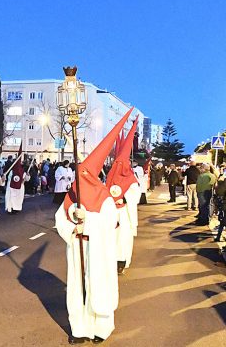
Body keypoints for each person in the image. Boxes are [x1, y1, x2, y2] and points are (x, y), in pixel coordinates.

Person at [56, 108, 131, 345]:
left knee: (98, 286)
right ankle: (79, 328)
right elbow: (60, 218)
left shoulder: (105, 198)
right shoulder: (72, 194)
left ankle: (101, 327)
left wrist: (86, 220)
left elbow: (110, 223)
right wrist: (73, 229)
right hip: (77, 247)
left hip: (98, 249)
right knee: (78, 289)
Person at [106, 117, 141, 274]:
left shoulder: (131, 179)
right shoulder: (110, 176)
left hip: (124, 214)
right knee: (111, 239)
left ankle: (122, 262)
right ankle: (110, 260)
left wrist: (124, 198)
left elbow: (135, 194)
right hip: (111, 213)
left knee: (123, 239)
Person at [5, 144, 29, 214]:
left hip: (19, 188)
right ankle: (11, 209)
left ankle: (16, 209)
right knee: (11, 198)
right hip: (11, 187)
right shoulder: (12, 171)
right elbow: (9, 178)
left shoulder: (22, 172)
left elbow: (26, 179)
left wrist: (27, 176)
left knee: (17, 199)